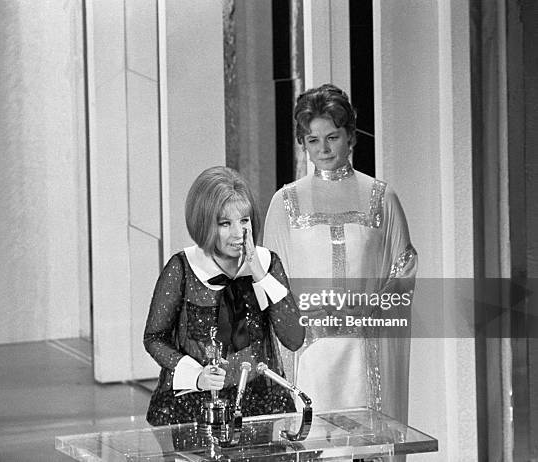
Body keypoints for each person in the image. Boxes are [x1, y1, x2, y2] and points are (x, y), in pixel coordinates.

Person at [264, 84, 417, 423]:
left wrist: (365, 314)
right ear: (302, 143)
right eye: (312, 140)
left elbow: (403, 267)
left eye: (332, 137)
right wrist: (301, 326)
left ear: (350, 135)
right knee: (314, 442)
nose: (323, 149)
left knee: (368, 443)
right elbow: (270, 281)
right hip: (310, 351)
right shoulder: (286, 202)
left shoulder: (381, 197)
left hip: (365, 351)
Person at [144, 166, 305, 426]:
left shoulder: (266, 262)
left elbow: (294, 339)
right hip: (197, 404)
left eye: (244, 220)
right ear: (205, 224)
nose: (238, 233)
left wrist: (259, 274)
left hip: (258, 405)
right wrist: (197, 376)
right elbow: (154, 338)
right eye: (225, 223)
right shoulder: (183, 268)